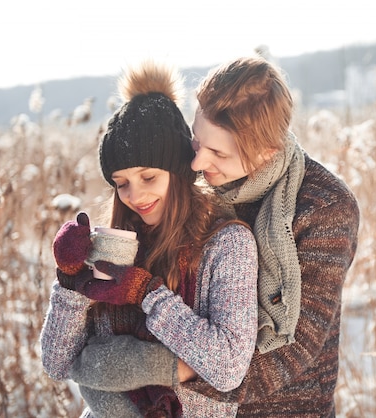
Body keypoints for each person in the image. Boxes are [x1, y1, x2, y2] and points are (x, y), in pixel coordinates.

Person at [74, 55, 361, 416]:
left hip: (284, 407)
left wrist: (155, 367)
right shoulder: (199, 186)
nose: (197, 164)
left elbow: (294, 350)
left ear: (266, 152)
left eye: (218, 153)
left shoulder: (324, 208)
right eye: (197, 142)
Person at [39, 61, 259, 417]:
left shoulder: (226, 245)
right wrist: (68, 280)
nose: (135, 195)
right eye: (121, 183)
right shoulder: (112, 247)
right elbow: (56, 363)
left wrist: (146, 294)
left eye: (148, 177)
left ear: (176, 169)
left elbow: (228, 367)